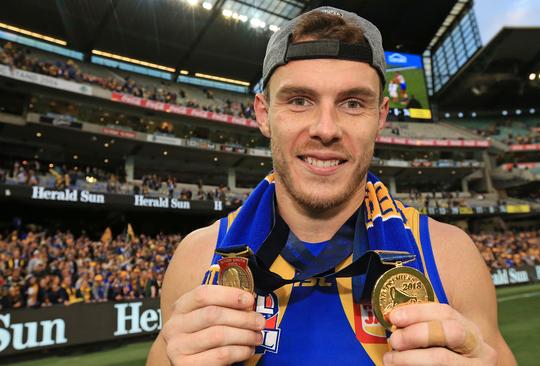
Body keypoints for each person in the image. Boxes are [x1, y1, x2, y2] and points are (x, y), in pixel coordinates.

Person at [147, 7, 515, 366]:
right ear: (263, 114)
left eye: (353, 103)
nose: (325, 129)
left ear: (381, 117)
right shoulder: (197, 259)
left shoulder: (450, 256)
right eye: (299, 100)